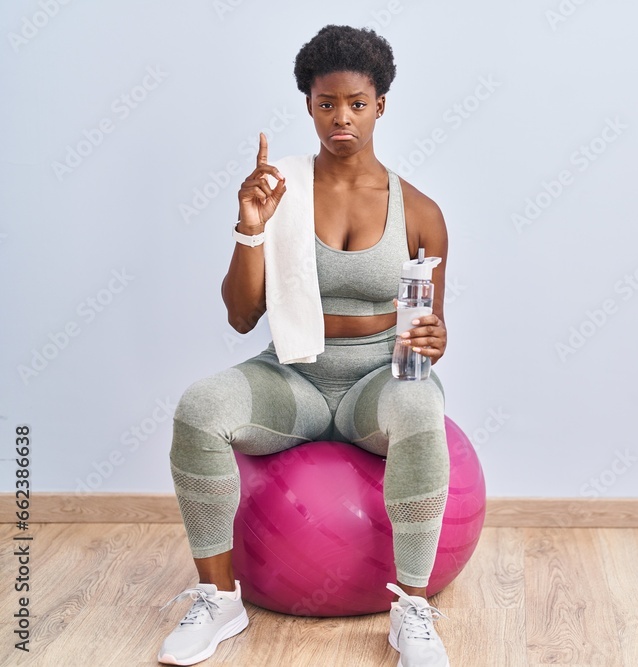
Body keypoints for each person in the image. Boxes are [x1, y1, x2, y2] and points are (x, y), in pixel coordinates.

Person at [158, 25, 452, 667]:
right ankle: (220, 600)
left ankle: (411, 614)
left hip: (377, 383)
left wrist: (436, 337)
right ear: (309, 106)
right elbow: (241, 317)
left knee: (424, 410)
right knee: (200, 408)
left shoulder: (421, 213)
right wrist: (251, 228)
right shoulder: (280, 192)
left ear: (380, 106)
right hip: (294, 378)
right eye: (325, 103)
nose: (340, 117)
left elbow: (430, 328)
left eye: (355, 103)